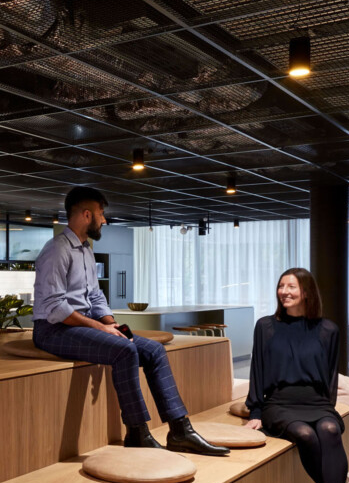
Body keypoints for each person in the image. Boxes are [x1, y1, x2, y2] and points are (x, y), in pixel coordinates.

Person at [32, 186, 224, 456]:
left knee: (153, 350)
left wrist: (112, 325)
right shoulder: (56, 250)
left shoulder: (86, 250)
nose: (104, 220)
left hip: (81, 325)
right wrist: (100, 328)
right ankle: (137, 432)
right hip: (53, 330)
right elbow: (55, 308)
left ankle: (181, 431)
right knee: (125, 350)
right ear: (87, 215)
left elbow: (96, 297)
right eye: (101, 213)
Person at [243, 268, 349, 483]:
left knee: (329, 428)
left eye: (292, 287)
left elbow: (329, 378)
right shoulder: (266, 326)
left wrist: (327, 407)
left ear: (307, 292)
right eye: (281, 286)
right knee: (304, 434)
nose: (284, 291)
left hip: (315, 401)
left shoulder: (328, 330)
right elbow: (257, 370)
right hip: (279, 402)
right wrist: (256, 412)